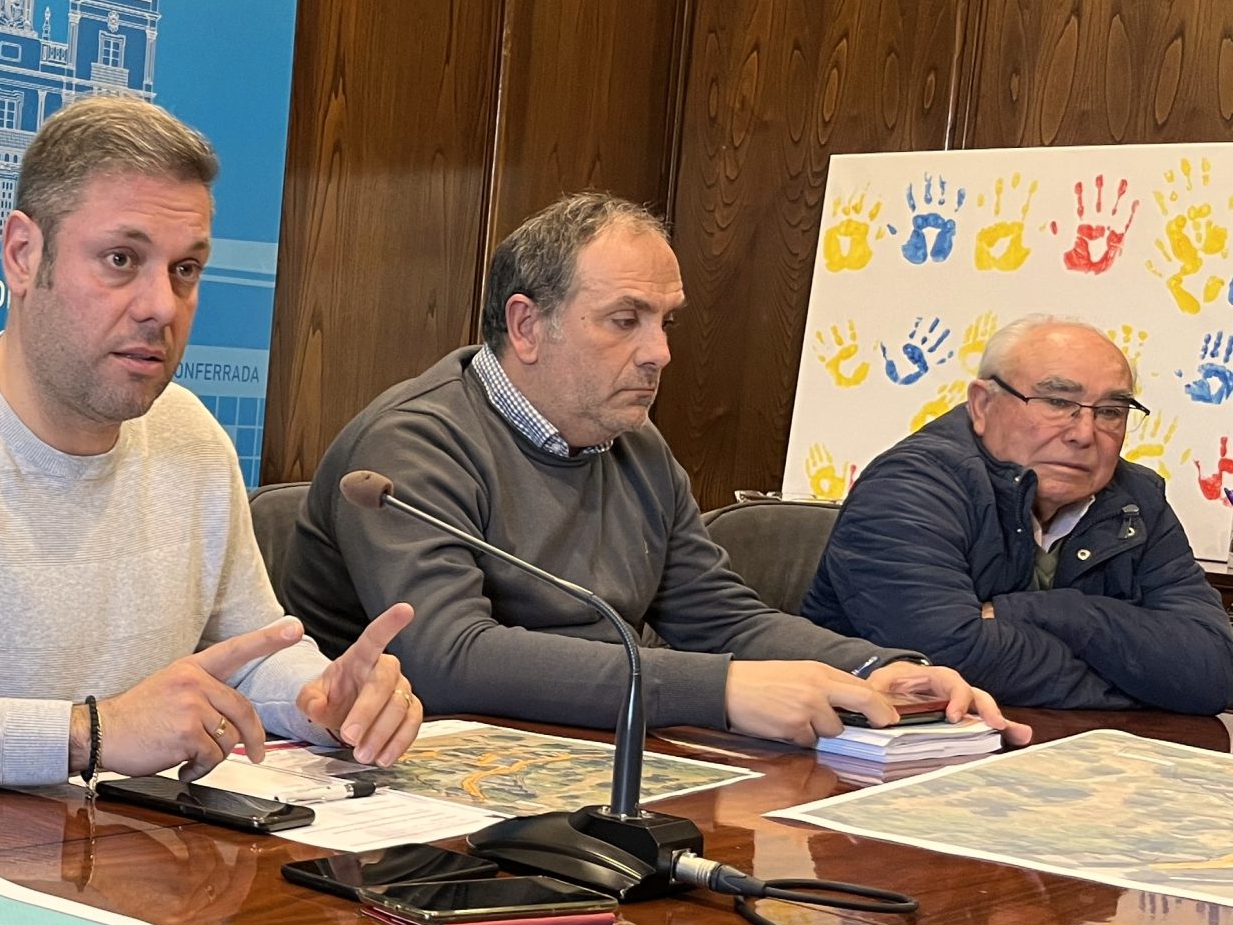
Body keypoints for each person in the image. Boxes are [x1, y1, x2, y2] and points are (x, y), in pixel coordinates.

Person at [0, 97, 424, 788]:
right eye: (122, 259)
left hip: (135, 860)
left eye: (185, 269)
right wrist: (87, 732)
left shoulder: (191, 437)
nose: (161, 305)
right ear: (24, 256)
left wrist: (320, 697)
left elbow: (245, 653)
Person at [285, 192, 1019, 747]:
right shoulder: (412, 442)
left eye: (667, 320)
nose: (660, 352)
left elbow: (718, 615)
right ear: (526, 325)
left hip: (581, 754)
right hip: (397, 774)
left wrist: (871, 669)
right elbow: (447, 659)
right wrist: (723, 689)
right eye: (625, 319)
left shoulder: (634, 442)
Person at [804, 317, 1233, 711]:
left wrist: (1050, 612)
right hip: (884, 753)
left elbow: (1215, 670)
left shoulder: (1136, 499)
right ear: (982, 405)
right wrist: (1146, 686)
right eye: (1056, 402)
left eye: (1110, 412)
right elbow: (950, 657)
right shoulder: (911, 485)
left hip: (1071, 757)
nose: (1084, 433)